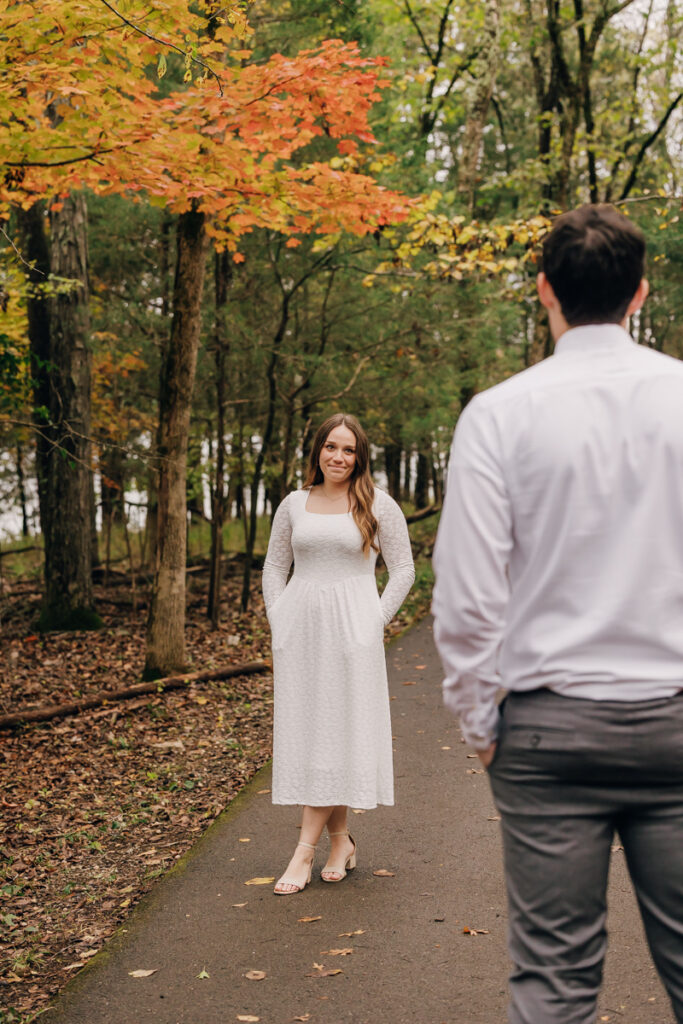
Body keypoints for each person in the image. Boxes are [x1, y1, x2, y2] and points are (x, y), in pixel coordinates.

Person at [432, 204, 683, 1023]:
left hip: (546, 734)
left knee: (552, 981)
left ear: (544, 291)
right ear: (639, 294)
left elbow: (468, 599)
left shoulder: (498, 415)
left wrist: (481, 723)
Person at [262, 412, 414, 895]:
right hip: (300, 631)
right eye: (332, 447)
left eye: (348, 450)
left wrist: (374, 623)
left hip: (353, 631)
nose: (339, 457)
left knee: (338, 729)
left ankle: (303, 850)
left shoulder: (377, 504)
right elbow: (273, 566)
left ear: (360, 456)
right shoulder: (294, 504)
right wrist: (277, 618)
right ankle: (340, 842)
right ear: (318, 451)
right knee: (319, 732)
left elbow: (404, 570)